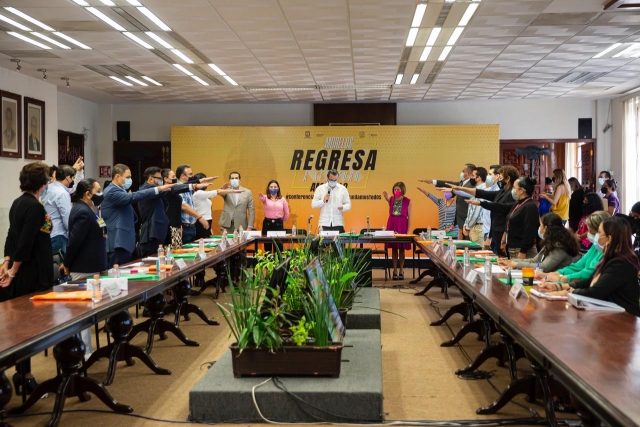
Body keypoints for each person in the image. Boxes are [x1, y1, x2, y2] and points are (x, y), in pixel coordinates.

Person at [0, 162, 52, 394]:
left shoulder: (17, 202)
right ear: (43, 183)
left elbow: (11, 236)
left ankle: (24, 372)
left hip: (22, 268)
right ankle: (25, 374)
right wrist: (12, 270)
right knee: (30, 327)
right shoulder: (34, 207)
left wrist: (6, 261)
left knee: (23, 325)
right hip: (33, 272)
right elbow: (26, 242)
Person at [539, 216, 640, 316]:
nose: (596, 235)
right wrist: (557, 286)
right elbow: (587, 282)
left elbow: (595, 292)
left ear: (609, 239)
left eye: (599, 232)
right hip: (610, 314)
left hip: (625, 318)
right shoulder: (609, 258)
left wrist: (568, 292)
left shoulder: (620, 263)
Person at [59, 179, 106, 360]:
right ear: (88, 193)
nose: (101, 193)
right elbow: (74, 242)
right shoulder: (82, 212)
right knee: (83, 312)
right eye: (98, 190)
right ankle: (85, 351)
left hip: (92, 265)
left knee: (89, 310)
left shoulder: (88, 210)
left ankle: (87, 349)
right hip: (83, 267)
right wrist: (67, 264)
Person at [101, 164, 174, 266]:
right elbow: (134, 197)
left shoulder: (120, 190)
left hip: (124, 242)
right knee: (118, 276)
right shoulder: (111, 190)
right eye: (127, 177)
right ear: (117, 177)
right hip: (117, 243)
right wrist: (157, 189)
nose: (130, 180)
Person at [447, 165, 520, 256]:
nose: (499, 180)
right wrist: (460, 188)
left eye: (500, 178)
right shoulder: (501, 192)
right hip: (495, 232)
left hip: (503, 234)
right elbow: (482, 193)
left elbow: (500, 207)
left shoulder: (512, 194)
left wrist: (481, 203)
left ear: (508, 179)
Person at [138, 167, 209, 257]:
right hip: (151, 234)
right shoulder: (147, 190)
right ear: (150, 178)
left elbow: (175, 187)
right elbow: (173, 189)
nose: (161, 180)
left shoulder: (154, 190)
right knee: (153, 261)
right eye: (159, 178)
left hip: (159, 233)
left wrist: (198, 181)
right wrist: (194, 186)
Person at [466, 176, 539, 259]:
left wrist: (523, 251)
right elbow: (501, 207)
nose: (512, 190)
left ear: (522, 190)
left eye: (514, 188)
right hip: (512, 247)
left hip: (521, 250)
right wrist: (481, 203)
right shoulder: (518, 204)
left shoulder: (529, 206)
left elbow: (529, 230)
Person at [535, 211, 609, 284]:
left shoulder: (608, 253)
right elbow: (577, 267)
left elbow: (587, 274)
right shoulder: (595, 247)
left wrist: (560, 278)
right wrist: (551, 275)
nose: (588, 234)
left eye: (592, 232)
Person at [498, 213, 579, 272]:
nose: (539, 228)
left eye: (540, 226)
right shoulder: (551, 241)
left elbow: (543, 267)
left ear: (546, 228)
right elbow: (535, 261)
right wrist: (511, 261)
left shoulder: (560, 246)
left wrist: (516, 265)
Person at [420, 163, 475, 238]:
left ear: (468, 173)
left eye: (463, 171)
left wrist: (453, 190)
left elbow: (464, 193)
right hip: (462, 224)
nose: (461, 173)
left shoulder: (472, 185)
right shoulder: (461, 183)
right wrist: (433, 181)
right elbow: (447, 183)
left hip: (469, 223)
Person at [194, 173, 243, 240]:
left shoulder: (204, 194)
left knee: (207, 242)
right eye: (204, 182)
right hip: (201, 222)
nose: (206, 184)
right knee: (202, 243)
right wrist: (232, 190)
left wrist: (210, 228)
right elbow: (217, 192)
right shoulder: (198, 193)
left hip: (207, 221)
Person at [42, 164, 76, 254]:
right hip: (59, 235)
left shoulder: (49, 187)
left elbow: (72, 189)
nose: (72, 181)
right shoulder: (62, 193)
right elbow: (67, 218)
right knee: (59, 265)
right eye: (72, 178)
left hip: (48, 232)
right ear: (68, 178)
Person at [383, 182, 412, 280]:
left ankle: (401, 270)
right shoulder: (391, 199)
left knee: (402, 249)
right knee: (394, 248)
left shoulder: (408, 201)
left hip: (402, 224)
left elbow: (410, 217)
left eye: (398, 189)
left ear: (402, 190)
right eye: (395, 189)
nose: (396, 191)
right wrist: (386, 196)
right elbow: (388, 200)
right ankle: (394, 270)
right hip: (392, 224)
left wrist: (408, 231)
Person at [311, 169, 351, 233]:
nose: (333, 182)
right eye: (331, 180)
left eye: (335, 180)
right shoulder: (320, 189)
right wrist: (323, 201)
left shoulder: (342, 189)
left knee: (338, 243)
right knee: (323, 243)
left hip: (338, 223)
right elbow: (313, 205)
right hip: (324, 223)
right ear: (327, 178)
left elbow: (348, 205)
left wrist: (343, 207)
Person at [259, 180, 290, 253]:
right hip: (267, 224)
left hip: (278, 224)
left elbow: (286, 213)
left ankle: (279, 263)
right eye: (271, 187)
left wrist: (282, 221)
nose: (273, 188)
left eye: (275, 187)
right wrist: (260, 196)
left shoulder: (282, 199)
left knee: (278, 247)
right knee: (267, 248)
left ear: (278, 188)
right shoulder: (265, 197)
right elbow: (262, 199)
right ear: (268, 188)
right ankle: (268, 263)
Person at [461, 167, 487, 246]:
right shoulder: (475, 190)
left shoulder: (482, 191)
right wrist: (466, 224)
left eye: (473, 175)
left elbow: (476, 213)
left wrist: (468, 226)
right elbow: (470, 211)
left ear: (478, 178)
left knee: (479, 256)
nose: (471, 178)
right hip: (473, 227)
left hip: (478, 228)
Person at [161, 168, 184, 249]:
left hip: (176, 227)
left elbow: (177, 210)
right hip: (168, 228)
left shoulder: (175, 192)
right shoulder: (162, 192)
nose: (175, 179)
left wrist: (180, 226)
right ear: (166, 179)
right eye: (173, 176)